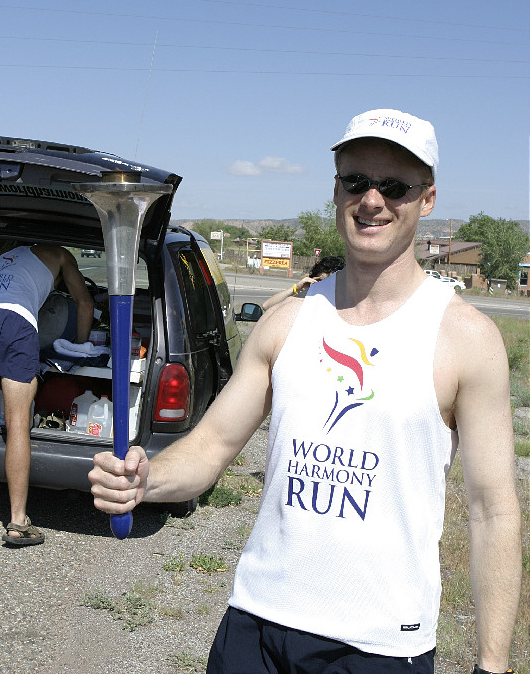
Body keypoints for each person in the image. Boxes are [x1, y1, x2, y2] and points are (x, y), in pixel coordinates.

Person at [89, 109, 521, 674]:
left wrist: (493, 664)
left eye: (394, 186)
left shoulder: (466, 339)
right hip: (257, 624)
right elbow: (214, 444)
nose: (372, 199)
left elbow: (493, 513)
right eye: (355, 181)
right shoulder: (287, 320)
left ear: (428, 199)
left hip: (379, 645)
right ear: (336, 188)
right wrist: (148, 479)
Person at [0, 244, 94, 546]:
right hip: (16, 322)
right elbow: (85, 304)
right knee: (17, 424)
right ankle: (18, 522)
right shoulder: (63, 255)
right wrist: (80, 349)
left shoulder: (5, 254)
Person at [262, 256, 344, 311]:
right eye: (320, 282)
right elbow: (267, 306)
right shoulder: (305, 302)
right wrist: (297, 288)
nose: (324, 287)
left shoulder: (346, 307)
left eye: (330, 283)